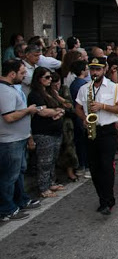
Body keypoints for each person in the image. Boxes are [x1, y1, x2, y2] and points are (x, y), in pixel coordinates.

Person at [74, 57, 118, 215]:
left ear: (104, 70)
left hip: (107, 131)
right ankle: (102, 199)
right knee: (95, 168)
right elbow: (77, 107)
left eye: (98, 69)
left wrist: (102, 106)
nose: (95, 72)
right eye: (92, 69)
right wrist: (84, 119)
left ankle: (108, 200)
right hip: (91, 131)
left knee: (106, 166)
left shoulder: (113, 87)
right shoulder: (84, 88)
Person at [0, 60, 43, 221]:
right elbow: (9, 116)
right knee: (9, 176)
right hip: (9, 141)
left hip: (18, 138)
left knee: (18, 173)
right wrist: (29, 110)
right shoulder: (4, 91)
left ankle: (21, 200)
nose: (25, 75)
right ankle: (6, 209)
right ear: (12, 74)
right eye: (22, 73)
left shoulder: (11, 88)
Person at [28, 67, 66, 198]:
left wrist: (57, 111)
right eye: (47, 77)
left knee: (53, 159)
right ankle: (43, 187)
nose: (50, 80)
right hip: (43, 132)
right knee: (44, 161)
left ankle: (51, 182)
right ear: (39, 79)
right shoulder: (35, 94)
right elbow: (42, 112)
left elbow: (62, 106)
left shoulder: (50, 92)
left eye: (50, 77)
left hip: (56, 131)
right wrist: (55, 111)